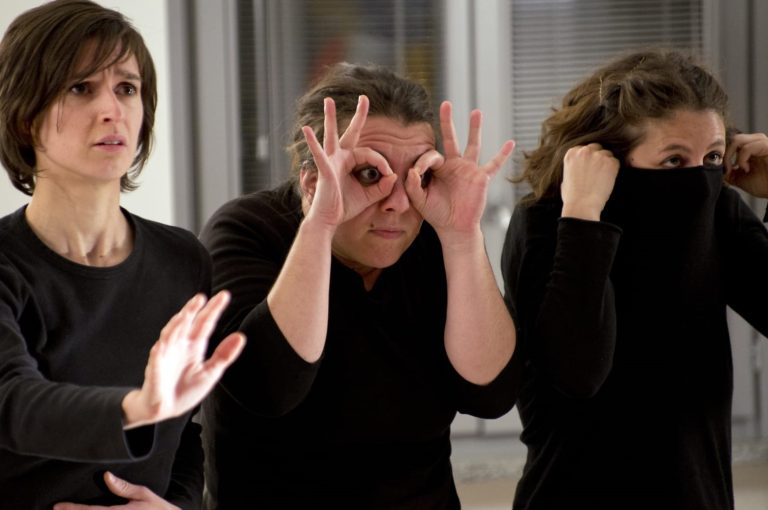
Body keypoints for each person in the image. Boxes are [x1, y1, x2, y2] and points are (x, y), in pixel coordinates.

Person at [199, 62, 520, 508]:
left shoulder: (434, 234)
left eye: (419, 175)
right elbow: (269, 389)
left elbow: (491, 396)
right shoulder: (248, 229)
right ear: (312, 178)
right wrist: (321, 224)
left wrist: (463, 236)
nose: (398, 203)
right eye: (370, 174)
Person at [0, 1, 246, 508]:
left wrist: (175, 506)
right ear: (24, 117)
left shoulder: (183, 258)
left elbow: (185, 432)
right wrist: (138, 407)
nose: (112, 109)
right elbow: (12, 401)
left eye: (127, 88)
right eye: (80, 88)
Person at [501, 47, 768, 509]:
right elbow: (576, 372)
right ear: (606, 156)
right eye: (673, 160)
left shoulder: (714, 209)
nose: (698, 179)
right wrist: (582, 216)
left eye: (712, 157)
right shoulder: (545, 223)